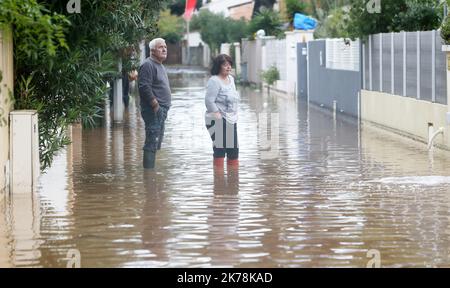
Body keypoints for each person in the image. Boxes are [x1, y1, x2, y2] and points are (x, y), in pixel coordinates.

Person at [138, 38, 171, 169]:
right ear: (152, 51)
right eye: (160, 47)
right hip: (154, 110)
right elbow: (144, 87)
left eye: (165, 47)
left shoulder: (160, 65)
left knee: (156, 141)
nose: (164, 49)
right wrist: (155, 105)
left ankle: (151, 173)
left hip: (161, 109)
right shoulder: (148, 65)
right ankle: (148, 175)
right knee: (152, 140)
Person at [205, 54, 239, 168]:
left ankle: (233, 181)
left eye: (230, 64)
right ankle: (218, 181)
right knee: (220, 149)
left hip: (230, 119)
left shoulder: (231, 79)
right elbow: (209, 101)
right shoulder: (214, 81)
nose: (228, 67)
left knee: (233, 151)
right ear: (219, 66)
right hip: (217, 119)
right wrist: (217, 114)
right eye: (225, 65)